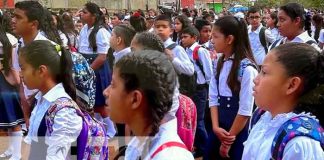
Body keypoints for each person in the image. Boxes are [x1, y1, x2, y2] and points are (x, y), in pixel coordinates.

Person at [104, 50, 194, 160]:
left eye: (113, 85)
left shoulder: (169, 156)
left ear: (135, 99)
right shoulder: (139, 141)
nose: (106, 92)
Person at [242, 42, 324, 160]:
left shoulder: (299, 143)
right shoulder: (261, 116)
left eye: (264, 72)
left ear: (291, 85)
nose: (255, 79)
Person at [205, 16, 258, 160]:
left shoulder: (247, 69)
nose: (212, 40)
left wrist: (228, 139)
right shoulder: (218, 63)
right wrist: (215, 127)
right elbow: (213, 98)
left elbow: (245, 110)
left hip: (237, 131)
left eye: (215, 36)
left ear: (229, 39)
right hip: (219, 128)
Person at [19, 40, 82, 159]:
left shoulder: (64, 111)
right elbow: (30, 141)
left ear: (41, 71)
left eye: (23, 68)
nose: (20, 74)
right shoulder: (42, 99)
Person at [77, 2, 115, 137]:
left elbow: (102, 57)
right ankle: (96, 127)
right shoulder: (83, 29)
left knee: (99, 102)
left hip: (96, 69)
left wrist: (87, 72)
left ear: (93, 16)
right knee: (87, 101)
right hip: (85, 66)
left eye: (85, 12)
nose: (81, 14)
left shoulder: (101, 31)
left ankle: (111, 130)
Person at [180, 25, 213, 157]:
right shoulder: (185, 51)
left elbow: (209, 72)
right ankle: (199, 147)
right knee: (192, 119)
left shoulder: (200, 51)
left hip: (200, 90)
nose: (182, 39)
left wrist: (210, 92)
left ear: (194, 37)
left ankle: (206, 149)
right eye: (181, 37)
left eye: (185, 37)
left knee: (199, 120)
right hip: (190, 89)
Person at [0, 11, 23, 160]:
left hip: (5, 80)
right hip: (6, 79)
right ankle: (10, 148)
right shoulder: (10, 38)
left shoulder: (10, 39)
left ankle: (17, 153)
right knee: (5, 119)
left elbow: (15, 64)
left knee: (12, 118)